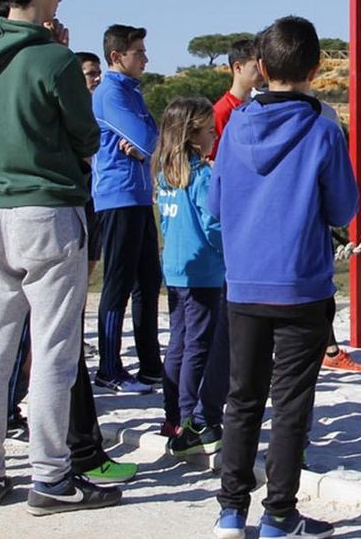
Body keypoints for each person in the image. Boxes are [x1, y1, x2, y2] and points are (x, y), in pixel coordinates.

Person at [0, 0, 120, 513]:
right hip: (49, 209)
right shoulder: (56, 60)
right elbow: (87, 139)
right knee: (54, 348)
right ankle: (51, 477)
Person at [209, 16, 356, 539]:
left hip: (244, 283)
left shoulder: (234, 126)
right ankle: (278, 515)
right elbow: (342, 206)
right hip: (302, 284)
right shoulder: (322, 127)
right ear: (316, 70)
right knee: (291, 405)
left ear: (261, 68)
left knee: (241, 398)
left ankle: (230, 511)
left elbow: (216, 205)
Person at [155, 97, 229, 458]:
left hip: (175, 267)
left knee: (178, 343)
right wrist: (227, 252)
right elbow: (213, 224)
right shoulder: (202, 175)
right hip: (203, 272)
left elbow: (168, 223)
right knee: (198, 346)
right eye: (210, 130)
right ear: (192, 134)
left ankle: (173, 416)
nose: (215, 135)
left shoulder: (164, 174)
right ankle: (188, 420)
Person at [91, 24, 162, 395]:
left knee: (148, 282)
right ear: (117, 56)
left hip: (138, 195)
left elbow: (151, 136)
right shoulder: (110, 93)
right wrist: (149, 145)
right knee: (117, 285)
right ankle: (109, 368)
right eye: (139, 52)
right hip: (116, 197)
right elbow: (149, 137)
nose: (146, 58)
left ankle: (150, 365)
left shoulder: (131, 91)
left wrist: (150, 145)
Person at [209, 38, 262, 159]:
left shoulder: (258, 106)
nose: (262, 72)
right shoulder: (221, 112)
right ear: (238, 67)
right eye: (256, 67)